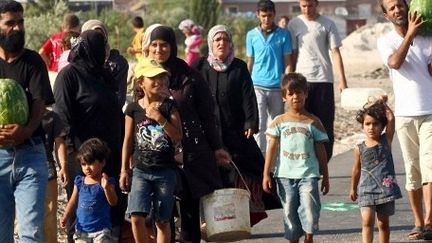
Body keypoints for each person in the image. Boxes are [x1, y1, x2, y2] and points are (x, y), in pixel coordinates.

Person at [141, 24, 231, 243]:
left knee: (190, 211)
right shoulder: (142, 76)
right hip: (156, 154)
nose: (159, 49)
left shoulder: (189, 77)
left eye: (164, 45)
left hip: (191, 152)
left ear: (172, 46)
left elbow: (208, 115)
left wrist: (217, 146)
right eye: (154, 45)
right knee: (162, 213)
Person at [192, 24, 268, 226]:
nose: (222, 44)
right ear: (210, 43)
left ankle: (240, 218)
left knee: (242, 170)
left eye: (225, 40)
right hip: (207, 132)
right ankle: (209, 221)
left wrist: (251, 121)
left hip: (235, 130)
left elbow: (248, 96)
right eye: (217, 40)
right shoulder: (200, 67)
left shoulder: (239, 67)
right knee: (210, 173)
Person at [53, 29, 124, 243]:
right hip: (81, 158)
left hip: (109, 157)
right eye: (98, 47)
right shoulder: (69, 76)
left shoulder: (104, 75)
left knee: (111, 212)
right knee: (84, 210)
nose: (102, 51)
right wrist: (65, 162)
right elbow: (61, 122)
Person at [376, 0, 432, 240]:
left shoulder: (428, 39)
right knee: (412, 171)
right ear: (387, 15)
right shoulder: (385, 40)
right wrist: (410, 34)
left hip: (430, 111)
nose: (397, 10)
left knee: (430, 168)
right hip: (405, 115)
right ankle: (418, 222)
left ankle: (430, 222)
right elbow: (395, 63)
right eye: (391, 8)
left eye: (400, 5)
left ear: (408, 8)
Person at [0, 1, 54, 242]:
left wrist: (27, 130)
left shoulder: (33, 62)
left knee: (31, 233)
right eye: (10, 23)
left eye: (20, 22)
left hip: (31, 155)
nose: (17, 28)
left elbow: (40, 103)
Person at [120, 58, 182, 243]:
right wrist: (124, 169)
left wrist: (159, 118)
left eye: (162, 78)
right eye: (153, 78)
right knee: (136, 217)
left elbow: (178, 136)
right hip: (141, 171)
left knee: (162, 221)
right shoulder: (133, 108)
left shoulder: (169, 106)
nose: (159, 82)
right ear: (141, 82)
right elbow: (128, 140)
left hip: (165, 171)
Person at [263, 73, 329, 243]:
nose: (295, 97)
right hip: (284, 176)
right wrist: (266, 174)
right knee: (289, 212)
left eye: (299, 92)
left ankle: (309, 237)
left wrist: (326, 176)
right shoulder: (279, 122)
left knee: (309, 209)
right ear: (284, 97)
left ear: (306, 94)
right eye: (290, 94)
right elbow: (271, 148)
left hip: (308, 175)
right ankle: (294, 239)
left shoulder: (314, 122)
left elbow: (321, 150)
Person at [287, 0, 348, 162]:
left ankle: (324, 163)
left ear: (316, 4)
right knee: (302, 123)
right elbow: (291, 54)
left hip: (324, 79)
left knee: (325, 123)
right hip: (302, 81)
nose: (307, 9)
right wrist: (289, 81)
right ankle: (304, 161)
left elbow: (335, 52)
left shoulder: (327, 24)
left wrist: (343, 81)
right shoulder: (295, 24)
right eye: (303, 6)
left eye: (310, 5)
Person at [349, 99, 402, 243]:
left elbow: (391, 118)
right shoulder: (359, 148)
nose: (371, 127)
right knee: (367, 221)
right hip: (366, 190)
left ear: (382, 126)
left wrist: (382, 105)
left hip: (385, 190)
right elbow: (356, 169)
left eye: (375, 124)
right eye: (367, 124)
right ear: (362, 126)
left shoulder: (386, 141)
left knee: (383, 223)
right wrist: (353, 188)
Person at [246, 0, 293, 155]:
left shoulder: (284, 34)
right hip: (257, 85)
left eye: (270, 15)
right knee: (259, 125)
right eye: (264, 16)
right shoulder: (251, 35)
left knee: (277, 124)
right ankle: (261, 161)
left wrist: (287, 86)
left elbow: (288, 62)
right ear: (258, 15)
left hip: (277, 87)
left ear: (274, 14)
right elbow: (250, 62)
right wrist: (245, 85)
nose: (267, 19)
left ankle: (277, 160)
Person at [61, 138, 118, 242]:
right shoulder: (79, 181)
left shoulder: (107, 181)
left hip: (101, 232)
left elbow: (113, 202)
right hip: (82, 231)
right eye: (83, 164)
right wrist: (65, 216)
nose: (87, 168)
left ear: (102, 162)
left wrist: (106, 189)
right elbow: (73, 201)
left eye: (90, 163)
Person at [81, 19, 129, 109]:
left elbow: (119, 98)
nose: (97, 41)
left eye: (100, 37)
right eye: (92, 37)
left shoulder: (117, 63)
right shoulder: (78, 64)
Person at [42, 107, 69, 243]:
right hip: (21, 169)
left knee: (49, 219)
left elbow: (59, 144)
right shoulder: (19, 115)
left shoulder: (52, 117)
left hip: (47, 171)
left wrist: (63, 166)